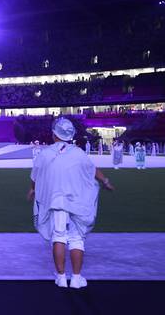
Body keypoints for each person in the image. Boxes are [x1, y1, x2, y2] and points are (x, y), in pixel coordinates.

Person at [28, 118, 114, 289]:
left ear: (54, 135)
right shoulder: (79, 153)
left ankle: (60, 277)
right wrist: (105, 181)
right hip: (77, 201)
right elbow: (93, 169)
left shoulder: (45, 154)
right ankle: (76, 278)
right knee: (76, 239)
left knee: (58, 237)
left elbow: (36, 176)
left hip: (56, 201)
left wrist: (32, 190)